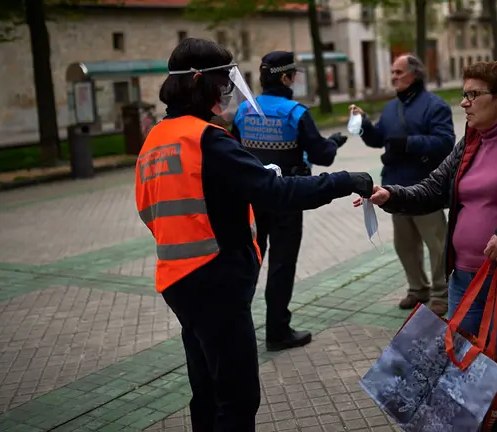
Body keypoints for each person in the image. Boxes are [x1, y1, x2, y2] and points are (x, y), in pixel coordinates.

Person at [135, 38, 373, 431]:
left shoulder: (157, 138)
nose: (226, 95)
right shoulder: (206, 140)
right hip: (216, 283)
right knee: (238, 398)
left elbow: (148, 208)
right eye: (222, 84)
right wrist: (344, 180)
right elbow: (275, 192)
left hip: (177, 279)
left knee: (206, 391)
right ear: (201, 83)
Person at [354, 60, 497, 432]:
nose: (465, 103)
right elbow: (433, 189)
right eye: (464, 95)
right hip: (465, 284)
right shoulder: (471, 143)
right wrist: (388, 195)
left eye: (473, 94)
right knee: (464, 376)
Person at [231, 51, 348, 352]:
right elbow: (322, 154)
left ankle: (235, 331)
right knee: (281, 266)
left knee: (250, 262)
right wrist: (333, 141)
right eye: (293, 75)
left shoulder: (244, 110)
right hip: (287, 198)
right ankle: (278, 331)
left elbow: (234, 149)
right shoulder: (295, 112)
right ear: (285, 77)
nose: (294, 79)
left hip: (252, 200)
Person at [348, 54, 455, 316]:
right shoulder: (390, 108)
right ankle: (418, 290)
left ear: (415, 75)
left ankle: (442, 293)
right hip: (395, 190)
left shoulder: (435, 105)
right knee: (405, 246)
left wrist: (408, 144)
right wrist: (364, 126)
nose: (394, 77)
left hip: (426, 189)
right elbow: (378, 139)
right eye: (393, 72)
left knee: (438, 245)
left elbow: (445, 142)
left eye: (399, 72)